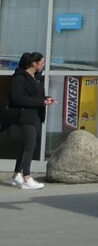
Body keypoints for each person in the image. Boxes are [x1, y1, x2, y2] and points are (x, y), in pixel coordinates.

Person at [10, 51, 54, 190]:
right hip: (25, 117)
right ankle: (27, 177)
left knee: (26, 146)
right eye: (41, 63)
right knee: (30, 146)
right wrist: (40, 101)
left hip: (35, 116)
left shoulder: (35, 77)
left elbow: (35, 96)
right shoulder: (20, 78)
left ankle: (17, 174)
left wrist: (45, 99)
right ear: (34, 64)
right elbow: (17, 98)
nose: (43, 65)